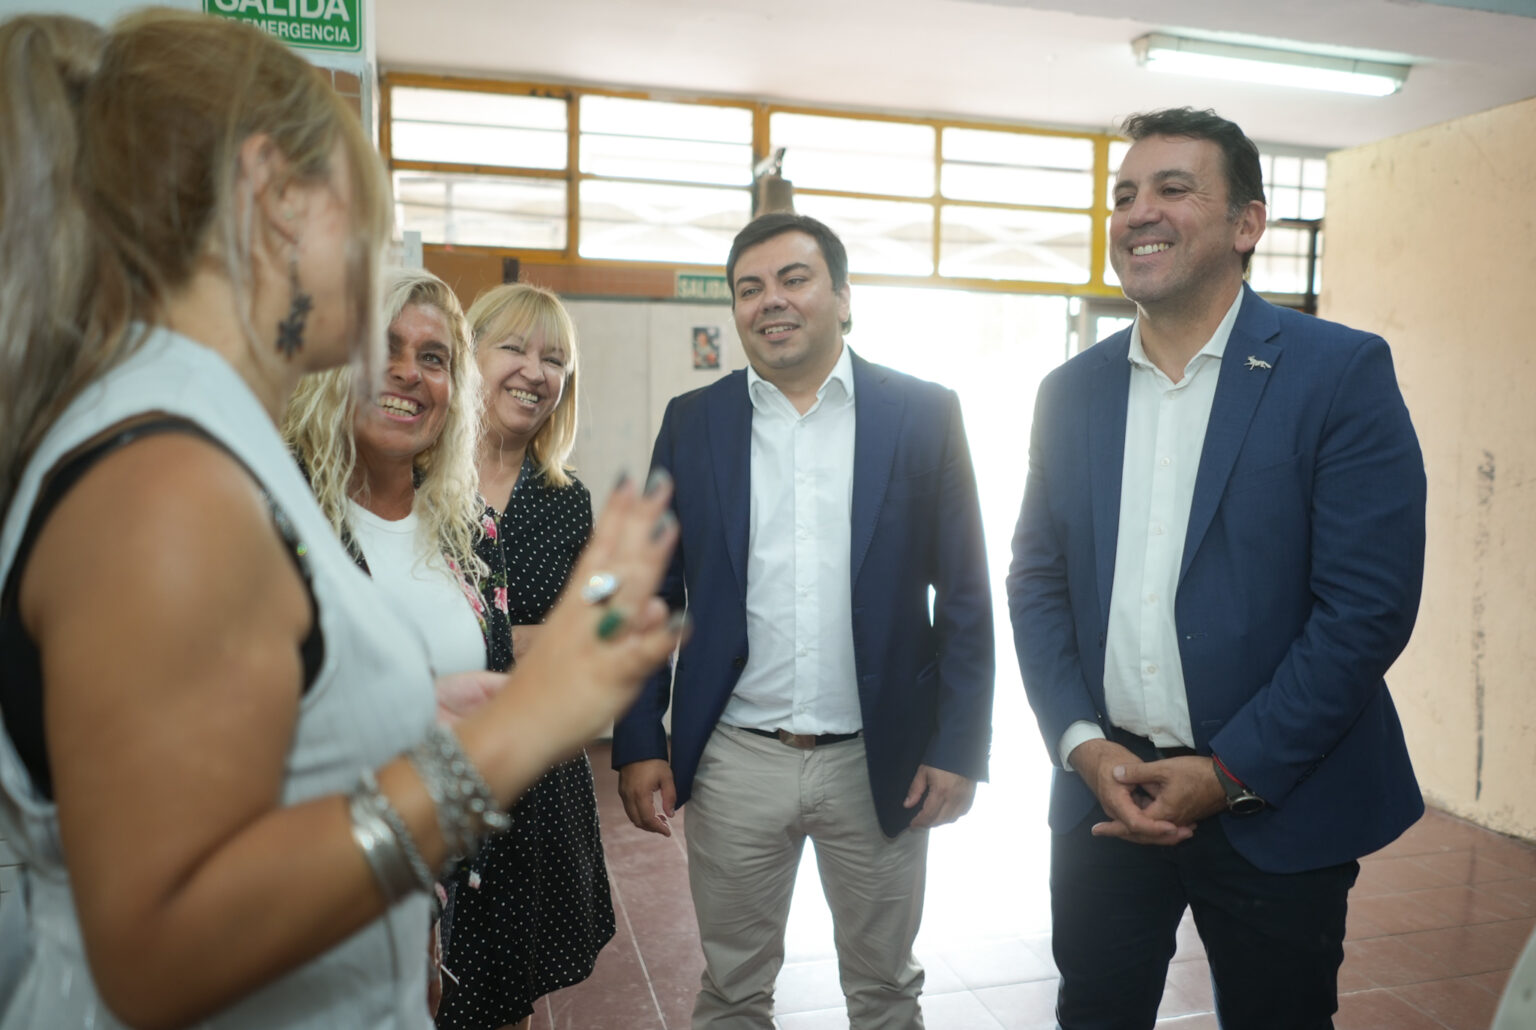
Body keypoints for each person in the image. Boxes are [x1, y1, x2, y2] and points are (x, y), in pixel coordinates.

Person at [0, 11, 681, 1029]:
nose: (379, 259)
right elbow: (162, 948)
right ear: (273, 196)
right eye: (369, 214)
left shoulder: (199, 440)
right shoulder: (164, 483)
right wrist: (519, 729)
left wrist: (403, 710)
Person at [1007, 107, 1426, 1029]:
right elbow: (1036, 581)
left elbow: (1367, 607)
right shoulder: (1068, 394)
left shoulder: (1338, 373)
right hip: (1106, 796)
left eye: (1173, 189)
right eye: (1124, 194)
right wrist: (1082, 744)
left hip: (1280, 801)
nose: (1138, 212)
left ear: (1247, 224)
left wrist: (1231, 771)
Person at [613, 212, 995, 1028]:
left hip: (878, 759)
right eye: (749, 289)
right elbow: (652, 592)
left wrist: (959, 746)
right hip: (735, 759)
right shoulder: (694, 421)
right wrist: (640, 739)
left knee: (886, 990)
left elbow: (965, 594)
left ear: (844, 297)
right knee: (732, 990)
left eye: (794, 279)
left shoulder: (922, 414)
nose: (771, 301)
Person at [282, 266, 500, 1015]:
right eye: (384, 348)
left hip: (461, 877)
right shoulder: (282, 519)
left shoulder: (471, 530)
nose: (408, 373)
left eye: (434, 358)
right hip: (323, 886)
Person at [436, 282, 616, 1030]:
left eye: (555, 360)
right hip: (430, 767)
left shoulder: (567, 501)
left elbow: (593, 637)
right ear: (467, 356)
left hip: (534, 787)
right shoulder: (411, 483)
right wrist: (528, 641)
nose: (535, 372)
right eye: (512, 347)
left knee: (508, 993)